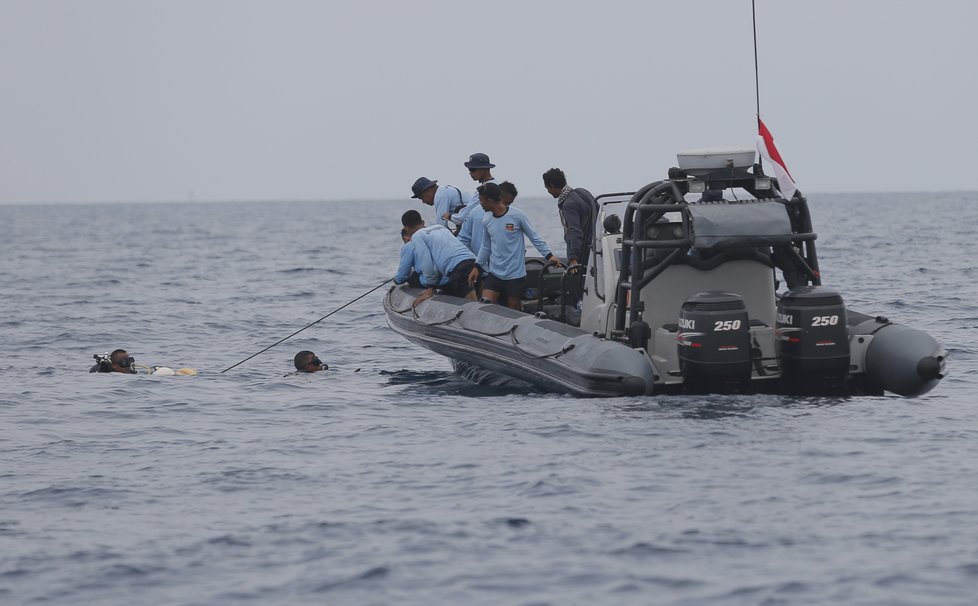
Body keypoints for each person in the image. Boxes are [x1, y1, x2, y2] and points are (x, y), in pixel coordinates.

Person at [468, 183, 561, 310]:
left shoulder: (518, 216)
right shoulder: (486, 219)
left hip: (515, 276)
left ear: (489, 200)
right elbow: (485, 246)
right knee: (485, 306)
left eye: (481, 200)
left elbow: (534, 237)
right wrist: (477, 266)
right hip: (494, 274)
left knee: (514, 311)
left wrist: (549, 256)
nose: (480, 204)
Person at [402, 212, 478, 305]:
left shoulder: (417, 236)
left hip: (459, 268)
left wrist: (430, 289)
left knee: (471, 304)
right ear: (422, 222)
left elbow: (427, 263)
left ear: (406, 228)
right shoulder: (440, 227)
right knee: (481, 300)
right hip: (474, 262)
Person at [542, 168, 597, 271]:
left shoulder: (568, 204)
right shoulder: (582, 192)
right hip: (594, 247)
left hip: (582, 252)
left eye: (547, 188)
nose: (548, 191)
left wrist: (573, 258)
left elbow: (574, 231)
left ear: (552, 186)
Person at [394, 211, 449, 291]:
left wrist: (396, 281)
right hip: (449, 276)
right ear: (423, 222)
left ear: (406, 229)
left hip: (435, 281)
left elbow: (402, 276)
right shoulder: (438, 235)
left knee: (411, 275)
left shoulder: (410, 245)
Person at [448, 153, 498, 229]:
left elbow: (463, 217)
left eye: (473, 169)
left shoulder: (484, 189)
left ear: (483, 169)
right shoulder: (497, 184)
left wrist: (449, 216)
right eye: (469, 169)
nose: (470, 173)